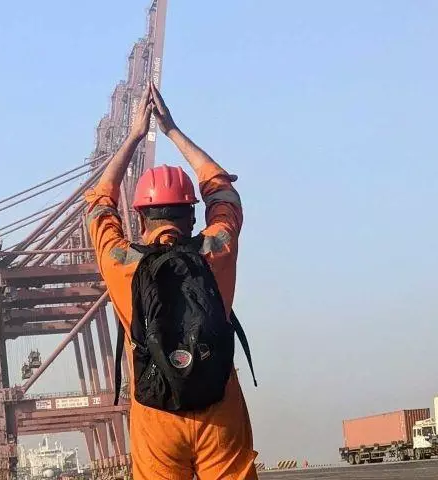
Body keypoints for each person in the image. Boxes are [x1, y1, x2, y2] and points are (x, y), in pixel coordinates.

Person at [84, 81, 257, 479]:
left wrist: (132, 138)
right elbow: (224, 193)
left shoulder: (120, 262)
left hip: (155, 411)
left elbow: (97, 203)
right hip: (219, 404)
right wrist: (173, 131)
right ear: (192, 215)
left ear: (141, 217)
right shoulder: (217, 249)